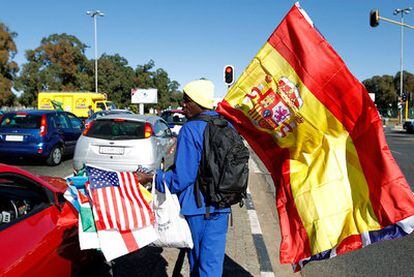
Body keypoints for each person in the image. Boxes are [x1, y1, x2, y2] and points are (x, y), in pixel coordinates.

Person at [137, 79, 230, 277]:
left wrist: (152, 178)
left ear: (198, 102)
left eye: (187, 101)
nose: (183, 105)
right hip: (223, 207)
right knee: (212, 264)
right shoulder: (226, 125)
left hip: (198, 209)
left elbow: (182, 178)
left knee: (198, 264)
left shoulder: (191, 129)